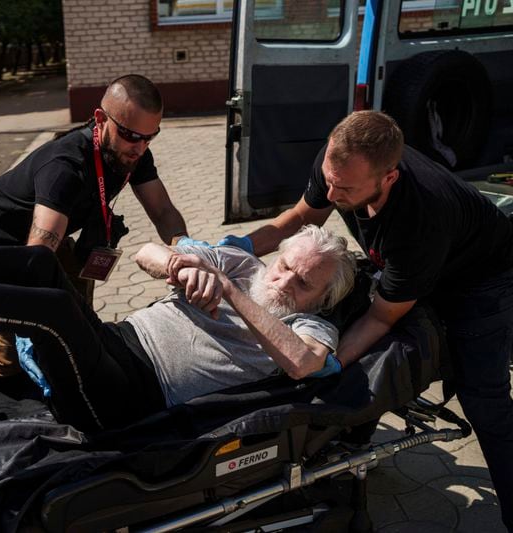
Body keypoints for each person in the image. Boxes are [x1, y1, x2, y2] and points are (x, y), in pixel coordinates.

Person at [0, 179, 356, 432]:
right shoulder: (243, 263)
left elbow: (304, 364)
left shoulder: (309, 326)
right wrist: (182, 265)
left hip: (133, 399)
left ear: (320, 298)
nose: (282, 281)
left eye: (302, 281)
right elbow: (150, 252)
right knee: (39, 266)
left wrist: (230, 295)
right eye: (283, 264)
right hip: (115, 343)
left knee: (53, 307)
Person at [219, 110, 513, 528]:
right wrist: (244, 243)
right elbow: (305, 214)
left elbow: (380, 318)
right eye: (330, 179)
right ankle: (351, 442)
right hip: (413, 262)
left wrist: (329, 362)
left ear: (388, 178)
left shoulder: (420, 218)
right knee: (361, 335)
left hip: (480, 282)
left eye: (346, 188)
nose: (333, 190)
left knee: (484, 399)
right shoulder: (340, 160)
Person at [0, 74, 193, 383]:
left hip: (51, 237)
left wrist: (188, 251)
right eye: (131, 135)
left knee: (82, 330)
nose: (140, 147)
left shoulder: (133, 153)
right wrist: (38, 316)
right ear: (100, 119)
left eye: (150, 137)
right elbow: (37, 256)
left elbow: (162, 211)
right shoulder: (64, 167)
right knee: (6, 357)